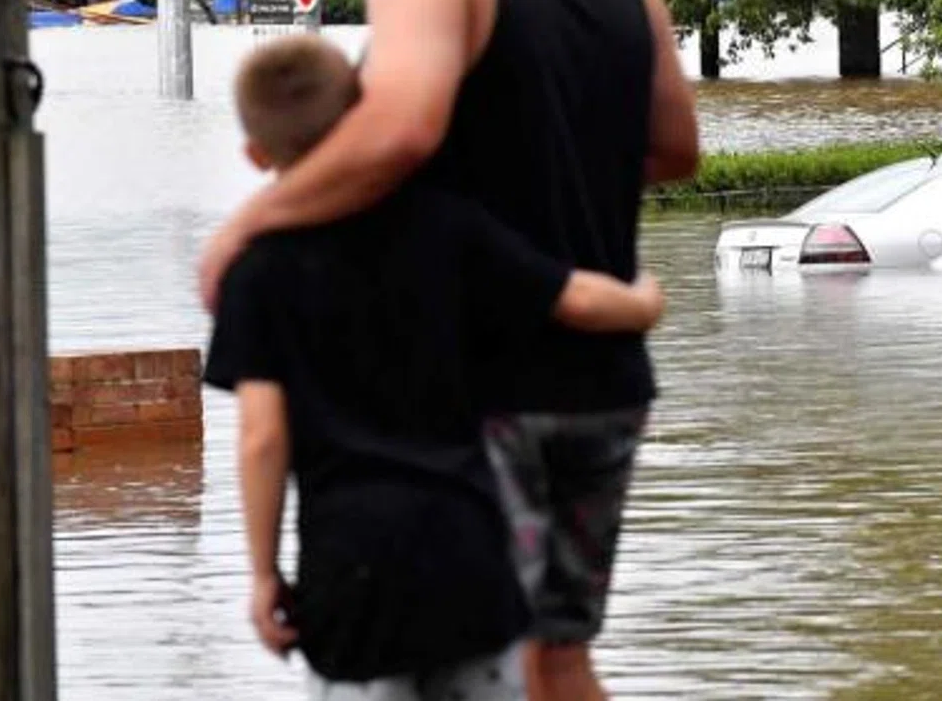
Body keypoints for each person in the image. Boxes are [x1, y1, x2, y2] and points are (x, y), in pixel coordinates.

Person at [198, 0, 701, 701]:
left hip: (483, 389)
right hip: (604, 377)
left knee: (497, 666)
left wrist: (245, 228)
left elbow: (399, 129)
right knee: (562, 658)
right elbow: (675, 146)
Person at [204, 35, 668, 700]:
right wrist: (644, 300)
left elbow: (263, 438)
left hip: (351, 572)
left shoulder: (260, 272)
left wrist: (262, 573)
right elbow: (575, 299)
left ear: (255, 154)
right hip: (471, 552)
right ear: (363, 115)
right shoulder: (446, 227)